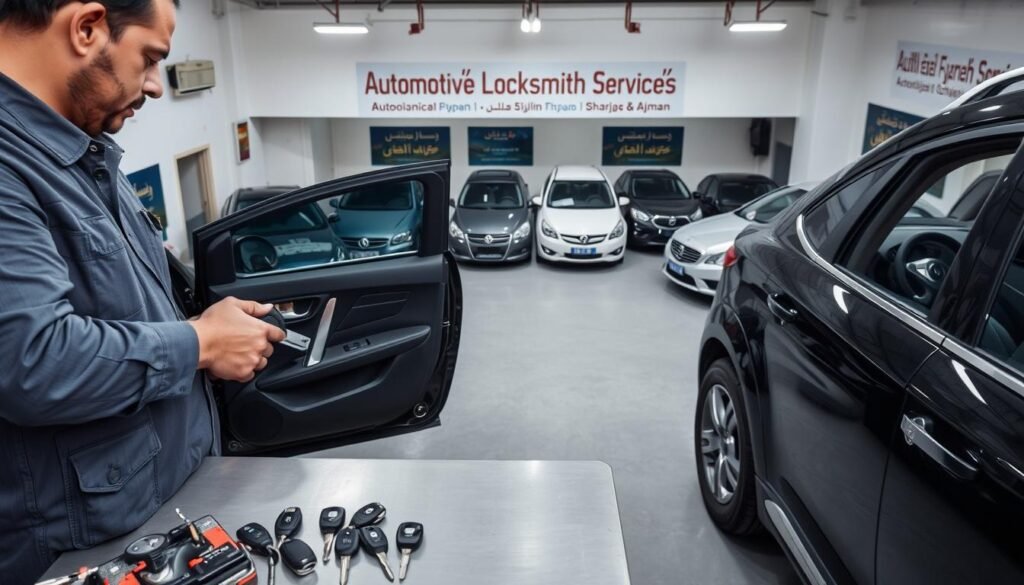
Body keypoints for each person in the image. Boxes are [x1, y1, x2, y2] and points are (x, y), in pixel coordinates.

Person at [0, 1, 285, 582]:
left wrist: (205, 323)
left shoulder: (81, 151)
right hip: (82, 549)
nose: (156, 86)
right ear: (87, 28)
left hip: (156, 515)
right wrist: (199, 344)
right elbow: (30, 361)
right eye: (150, 59)